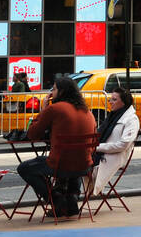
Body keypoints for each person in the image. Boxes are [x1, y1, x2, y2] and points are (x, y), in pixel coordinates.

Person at [18, 75, 99, 216]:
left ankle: (56, 199)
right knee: (74, 157)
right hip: (85, 166)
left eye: (54, 89)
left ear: (61, 91)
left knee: (24, 168)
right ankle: (72, 198)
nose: (52, 92)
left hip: (60, 164)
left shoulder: (54, 108)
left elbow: (32, 134)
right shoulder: (87, 111)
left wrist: (43, 109)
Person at [92, 87, 139, 193]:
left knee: (76, 169)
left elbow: (123, 145)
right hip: (100, 154)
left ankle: (70, 198)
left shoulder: (132, 119)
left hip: (112, 157)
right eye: (110, 99)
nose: (110, 102)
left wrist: (97, 148)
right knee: (74, 163)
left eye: (114, 100)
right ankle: (70, 197)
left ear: (123, 102)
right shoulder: (112, 116)